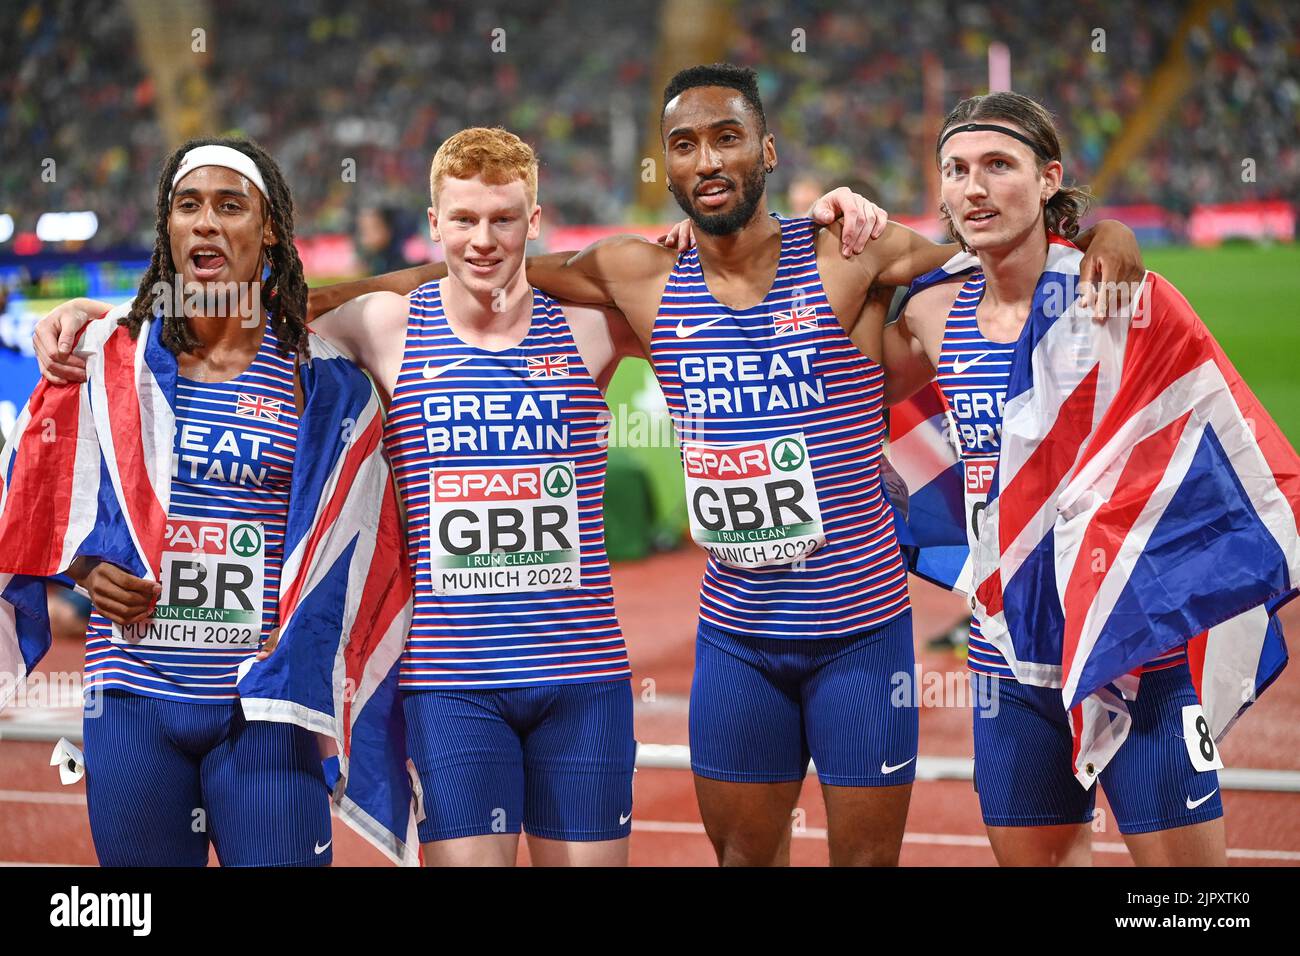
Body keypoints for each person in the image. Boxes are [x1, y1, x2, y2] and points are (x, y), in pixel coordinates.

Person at [297, 63, 1143, 867]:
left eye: (728, 137)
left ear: (767, 152)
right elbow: (479, 265)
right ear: (664, 164)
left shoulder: (853, 254)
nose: (708, 159)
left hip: (860, 635)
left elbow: (997, 259)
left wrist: (1104, 231)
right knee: (742, 856)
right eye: (686, 144)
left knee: (865, 860)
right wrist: (308, 299)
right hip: (736, 640)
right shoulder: (639, 273)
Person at [1, 137, 404, 866]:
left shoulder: (322, 371)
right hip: (133, 692)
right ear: (168, 227)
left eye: (230, 206)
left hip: (265, 700)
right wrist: (84, 570)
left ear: (269, 228)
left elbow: (439, 286)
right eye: (189, 206)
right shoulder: (110, 357)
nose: (207, 222)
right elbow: (46, 498)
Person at [881, 91, 1225, 866]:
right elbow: (831, 377)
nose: (974, 187)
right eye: (956, 170)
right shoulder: (934, 314)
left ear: (1048, 179)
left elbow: (1206, 439)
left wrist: (1111, 233)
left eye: (998, 165)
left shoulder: (1118, 295)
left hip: (1130, 640)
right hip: (1007, 649)